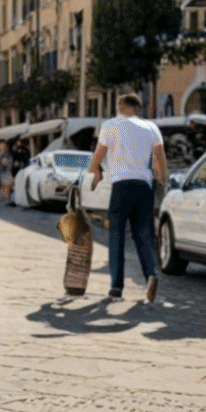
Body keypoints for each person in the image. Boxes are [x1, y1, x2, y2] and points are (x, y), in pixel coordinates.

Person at [87, 93, 167, 302]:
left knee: (116, 236)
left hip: (121, 186)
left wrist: (94, 172)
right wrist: (162, 184)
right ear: (138, 108)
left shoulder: (111, 125)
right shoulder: (151, 128)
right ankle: (151, 274)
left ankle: (116, 287)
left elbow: (99, 155)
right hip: (144, 187)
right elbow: (159, 162)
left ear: (122, 106)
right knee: (143, 235)